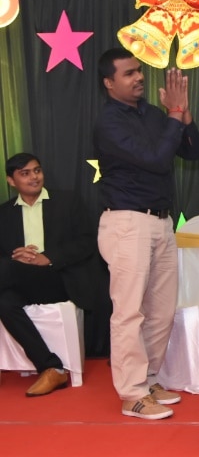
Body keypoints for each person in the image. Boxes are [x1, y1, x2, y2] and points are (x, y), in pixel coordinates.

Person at [94, 48, 199, 420]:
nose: (139, 77)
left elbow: (191, 153)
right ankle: (132, 394)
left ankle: (149, 379)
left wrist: (183, 115)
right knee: (129, 313)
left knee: (161, 311)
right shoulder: (109, 122)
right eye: (128, 73)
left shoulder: (153, 114)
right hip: (127, 222)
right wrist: (173, 114)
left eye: (139, 71)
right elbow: (155, 159)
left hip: (161, 222)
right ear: (109, 83)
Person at [0, 153, 100, 397]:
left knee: (9, 270)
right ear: (11, 181)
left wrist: (48, 257)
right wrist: (16, 258)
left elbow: (87, 241)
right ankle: (52, 367)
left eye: (37, 170)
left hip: (59, 279)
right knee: (3, 302)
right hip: (20, 281)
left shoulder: (67, 201)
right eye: (25, 173)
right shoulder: (3, 213)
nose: (34, 177)